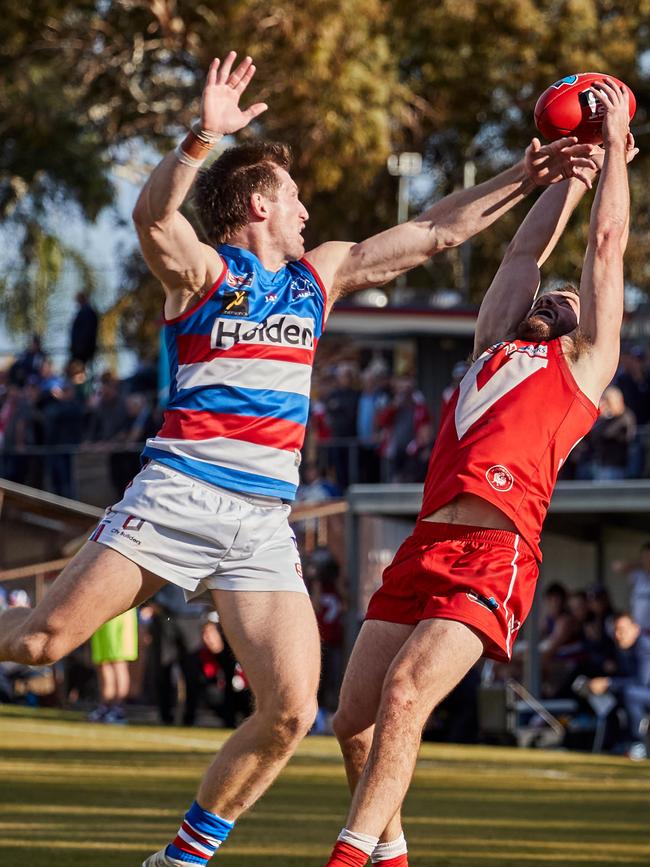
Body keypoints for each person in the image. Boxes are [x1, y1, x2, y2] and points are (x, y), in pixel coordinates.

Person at [0, 51, 597, 867]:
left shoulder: (317, 278)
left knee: (291, 712)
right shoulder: (207, 274)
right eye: (293, 195)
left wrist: (524, 174)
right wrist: (200, 139)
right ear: (256, 204)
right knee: (39, 644)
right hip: (179, 493)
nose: (308, 209)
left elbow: (433, 232)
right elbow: (152, 220)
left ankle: (180, 858)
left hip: (260, 523)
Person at [324, 80, 634, 867]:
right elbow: (525, 253)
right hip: (424, 546)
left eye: (563, 302)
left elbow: (605, 250)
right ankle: (391, 858)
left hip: (494, 557)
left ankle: (346, 859)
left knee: (404, 696)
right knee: (352, 722)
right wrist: (573, 170)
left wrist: (618, 147)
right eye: (547, 296)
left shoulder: (584, 367)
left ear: (576, 326)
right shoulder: (492, 346)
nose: (551, 297)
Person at [88, 608, 139, 723]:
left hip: (121, 614)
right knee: (103, 662)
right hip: (101, 615)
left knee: (119, 663)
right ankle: (105, 705)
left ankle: (118, 708)